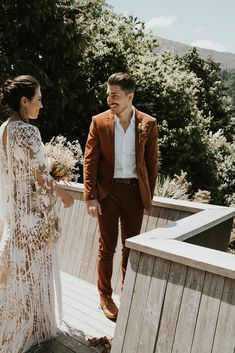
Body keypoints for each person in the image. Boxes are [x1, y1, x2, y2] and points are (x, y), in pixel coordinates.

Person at [0, 75, 74, 353]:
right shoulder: (29, 132)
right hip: (33, 215)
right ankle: (25, 330)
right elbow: (41, 177)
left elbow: (8, 174)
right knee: (33, 271)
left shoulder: (4, 129)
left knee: (15, 271)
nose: (41, 105)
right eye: (38, 99)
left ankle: (16, 324)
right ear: (24, 100)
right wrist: (64, 194)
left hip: (15, 213)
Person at [84, 72, 158, 320]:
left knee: (131, 246)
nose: (109, 99)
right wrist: (90, 196)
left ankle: (127, 293)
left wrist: (148, 195)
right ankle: (105, 295)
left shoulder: (148, 123)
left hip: (135, 194)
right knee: (107, 247)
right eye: (108, 94)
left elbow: (151, 164)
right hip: (107, 193)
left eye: (114, 95)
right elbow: (90, 161)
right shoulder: (99, 121)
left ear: (130, 96)